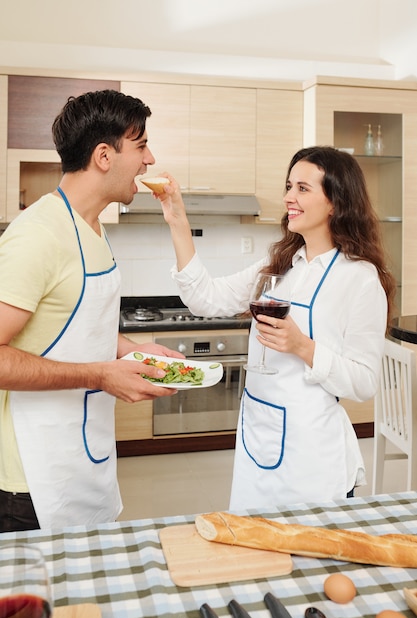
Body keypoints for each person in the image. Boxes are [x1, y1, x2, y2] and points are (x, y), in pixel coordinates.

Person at [157, 146, 396, 510]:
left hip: (312, 453)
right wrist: (177, 219)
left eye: (302, 188)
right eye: (289, 186)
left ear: (335, 202)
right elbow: (204, 298)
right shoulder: (280, 265)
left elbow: (364, 383)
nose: (288, 197)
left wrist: (303, 346)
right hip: (258, 437)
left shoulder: (361, 280)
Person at [0, 89, 182, 532]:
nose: (149, 159)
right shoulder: (37, 236)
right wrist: (100, 375)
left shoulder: (93, 227)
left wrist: (134, 351)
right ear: (104, 155)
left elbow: (76, 325)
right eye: (140, 146)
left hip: (85, 456)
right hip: (30, 480)